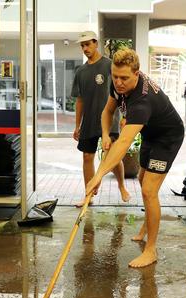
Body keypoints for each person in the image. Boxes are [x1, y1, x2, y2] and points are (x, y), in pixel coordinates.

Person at [86, 48, 185, 268]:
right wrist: (104, 134)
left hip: (168, 137)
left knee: (149, 190)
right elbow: (107, 111)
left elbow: (123, 144)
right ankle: (146, 227)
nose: (118, 82)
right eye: (115, 76)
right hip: (150, 132)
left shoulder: (143, 101)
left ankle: (151, 250)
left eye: (124, 78)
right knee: (142, 181)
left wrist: (98, 175)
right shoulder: (118, 84)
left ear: (137, 73)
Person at [71, 30, 130, 207]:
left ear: (96, 43)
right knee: (87, 157)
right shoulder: (80, 71)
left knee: (112, 156)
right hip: (88, 121)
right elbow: (79, 100)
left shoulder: (110, 66)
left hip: (109, 120)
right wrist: (77, 125)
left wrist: (125, 115)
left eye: (88, 44)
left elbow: (122, 91)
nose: (85, 48)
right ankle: (88, 195)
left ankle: (121, 187)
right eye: (82, 45)